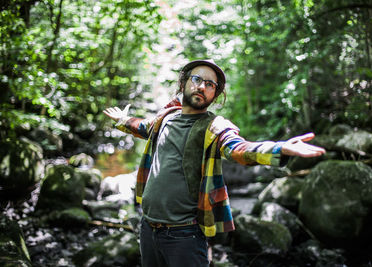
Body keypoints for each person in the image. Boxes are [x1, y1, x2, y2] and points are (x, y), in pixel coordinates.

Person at [103, 59, 326, 267]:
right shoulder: (167, 116)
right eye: (197, 79)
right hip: (147, 228)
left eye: (210, 84)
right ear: (183, 83)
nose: (202, 87)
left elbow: (239, 149)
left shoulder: (215, 127)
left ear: (215, 94)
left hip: (184, 236)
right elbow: (144, 127)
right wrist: (123, 120)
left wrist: (279, 148)